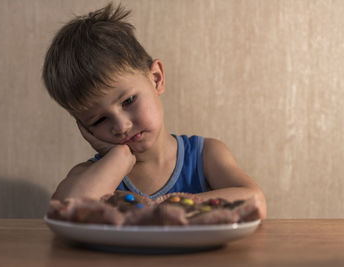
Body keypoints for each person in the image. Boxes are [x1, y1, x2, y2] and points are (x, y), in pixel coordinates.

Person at [42, 3, 267, 219]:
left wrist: (173, 205)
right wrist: (119, 157)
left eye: (128, 100)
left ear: (156, 78)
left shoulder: (205, 155)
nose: (121, 126)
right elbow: (67, 211)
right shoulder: (91, 175)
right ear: (84, 128)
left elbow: (255, 200)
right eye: (99, 120)